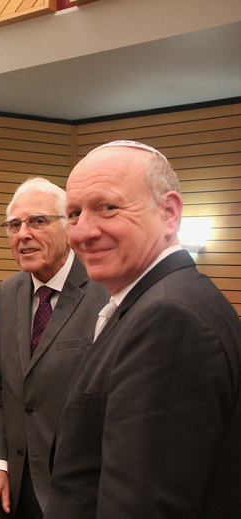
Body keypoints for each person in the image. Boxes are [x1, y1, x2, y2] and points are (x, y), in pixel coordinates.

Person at [44, 141, 241, 519]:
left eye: (108, 208)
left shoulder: (168, 320)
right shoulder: (157, 303)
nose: (83, 232)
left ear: (169, 212)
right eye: (73, 214)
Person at [0, 178, 109, 519]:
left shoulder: (104, 291)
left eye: (38, 221)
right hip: (12, 491)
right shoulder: (8, 292)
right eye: (14, 225)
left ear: (70, 226)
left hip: (81, 494)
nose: (23, 234)